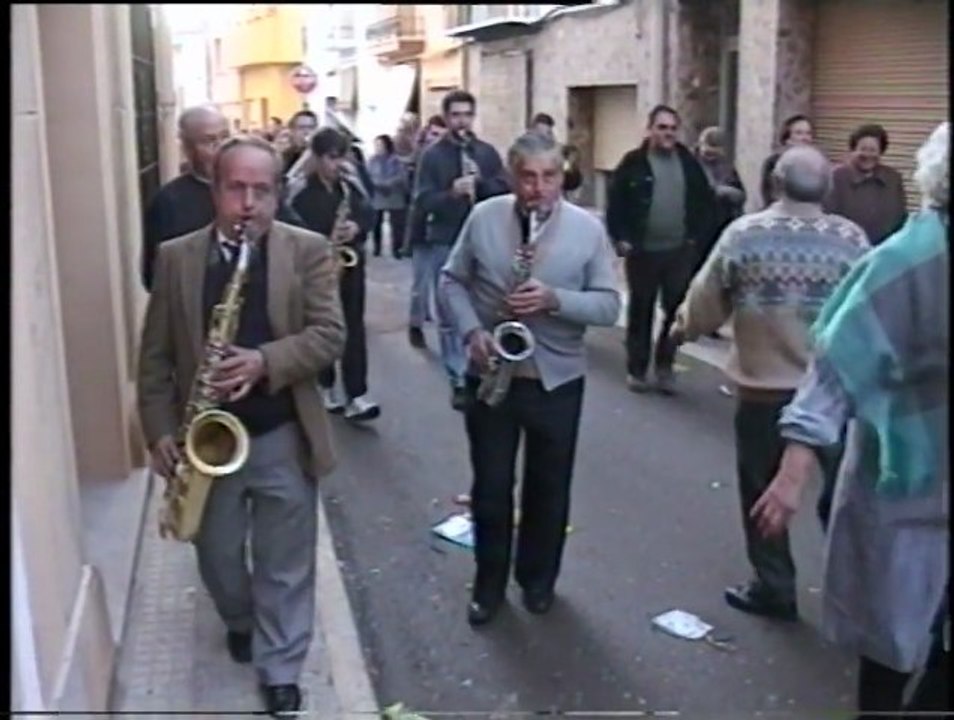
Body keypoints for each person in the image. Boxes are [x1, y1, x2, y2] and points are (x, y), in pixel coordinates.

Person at [136, 136, 345, 717]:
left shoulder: (307, 250)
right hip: (207, 439)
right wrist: (159, 429)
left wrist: (265, 361)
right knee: (218, 557)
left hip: (282, 432)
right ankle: (239, 617)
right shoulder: (176, 257)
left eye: (262, 190)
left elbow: (330, 335)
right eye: (237, 189)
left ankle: (281, 668)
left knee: (285, 562)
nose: (249, 204)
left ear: (277, 194)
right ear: (215, 191)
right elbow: (154, 358)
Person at [752, 122, 950, 719]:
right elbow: (837, 364)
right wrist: (793, 471)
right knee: (889, 648)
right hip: (904, 480)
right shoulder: (906, 263)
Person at [669, 145, 870, 621]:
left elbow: (705, 301)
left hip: (763, 391)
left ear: (776, 182)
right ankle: (857, 589)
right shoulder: (852, 240)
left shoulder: (745, 234)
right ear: (827, 187)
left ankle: (774, 585)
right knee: (841, 497)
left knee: (763, 490)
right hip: (834, 396)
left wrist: (681, 329)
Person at [440, 132, 621, 627]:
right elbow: (451, 280)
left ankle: (538, 581)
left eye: (549, 177)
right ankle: (488, 586)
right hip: (491, 374)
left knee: (549, 488)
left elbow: (609, 305)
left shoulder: (587, 229)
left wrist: (555, 299)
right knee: (491, 488)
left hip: (556, 380)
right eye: (527, 177)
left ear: (562, 176)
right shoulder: (484, 217)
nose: (538, 189)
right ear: (511, 176)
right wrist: (471, 331)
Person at [606, 104, 715, 395]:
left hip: (678, 251)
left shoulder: (688, 163)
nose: (668, 133)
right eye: (662, 127)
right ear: (650, 130)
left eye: (672, 128)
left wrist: (695, 239)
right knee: (641, 310)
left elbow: (704, 202)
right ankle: (637, 368)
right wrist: (620, 237)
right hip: (642, 251)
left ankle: (665, 365)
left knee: (676, 311)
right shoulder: (633, 163)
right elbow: (616, 202)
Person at [414, 89, 510, 410]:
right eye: (455, 115)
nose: (462, 121)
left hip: (483, 238)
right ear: (446, 117)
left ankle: (483, 368)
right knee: (449, 314)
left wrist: (481, 183)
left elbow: (504, 191)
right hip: (446, 237)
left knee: (486, 305)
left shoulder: (486, 153)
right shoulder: (432, 156)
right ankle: (457, 378)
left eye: (467, 115)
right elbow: (423, 200)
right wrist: (451, 193)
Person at [287, 128, 380, 421]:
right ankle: (325, 385)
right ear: (315, 158)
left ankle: (357, 393)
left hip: (350, 266)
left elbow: (370, 212)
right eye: (331, 158)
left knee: (354, 327)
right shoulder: (301, 192)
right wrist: (325, 238)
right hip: (317, 269)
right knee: (322, 327)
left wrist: (357, 227)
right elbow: (293, 230)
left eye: (342, 157)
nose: (338, 164)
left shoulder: (350, 185)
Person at [141, 106, 229, 291]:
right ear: (188, 148)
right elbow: (154, 274)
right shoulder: (168, 202)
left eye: (225, 137)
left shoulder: (257, 188)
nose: (221, 148)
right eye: (209, 141)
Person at [824, 123, 908, 246]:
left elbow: (901, 220)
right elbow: (828, 218)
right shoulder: (836, 177)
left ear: (881, 152)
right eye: (863, 149)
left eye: (873, 150)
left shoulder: (893, 179)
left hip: (884, 250)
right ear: (853, 150)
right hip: (845, 248)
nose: (868, 155)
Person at [406, 115, 448, 348]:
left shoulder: (448, 158)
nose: (436, 139)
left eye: (441, 135)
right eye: (433, 134)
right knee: (419, 285)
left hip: (443, 231)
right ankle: (416, 324)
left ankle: (443, 328)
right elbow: (415, 199)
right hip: (422, 231)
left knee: (442, 286)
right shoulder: (420, 159)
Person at [693, 126, 746, 278]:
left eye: (715, 152)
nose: (711, 156)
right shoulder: (690, 165)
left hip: (721, 226)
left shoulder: (726, 167)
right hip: (697, 230)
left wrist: (730, 193)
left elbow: (741, 195)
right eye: (708, 151)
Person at [367, 134, 409, 257]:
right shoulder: (372, 161)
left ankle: (397, 249)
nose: (377, 148)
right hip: (378, 194)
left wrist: (389, 184)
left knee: (396, 225)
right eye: (376, 145)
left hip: (394, 194)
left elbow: (402, 176)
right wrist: (377, 184)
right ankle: (377, 248)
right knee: (376, 223)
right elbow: (368, 175)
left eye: (380, 145)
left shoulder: (396, 160)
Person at [760, 114, 814, 207]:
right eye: (799, 133)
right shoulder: (773, 163)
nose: (805, 138)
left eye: (808, 133)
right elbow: (771, 196)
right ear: (787, 139)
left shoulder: (816, 165)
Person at [529, 112, 583, 195]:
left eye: (547, 134)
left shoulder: (562, 153)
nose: (542, 139)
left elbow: (571, 180)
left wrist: (568, 164)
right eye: (538, 135)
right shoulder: (523, 154)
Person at [282, 110, 318, 175]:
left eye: (311, 127)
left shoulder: (320, 156)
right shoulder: (285, 156)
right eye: (301, 128)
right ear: (292, 131)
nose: (306, 132)